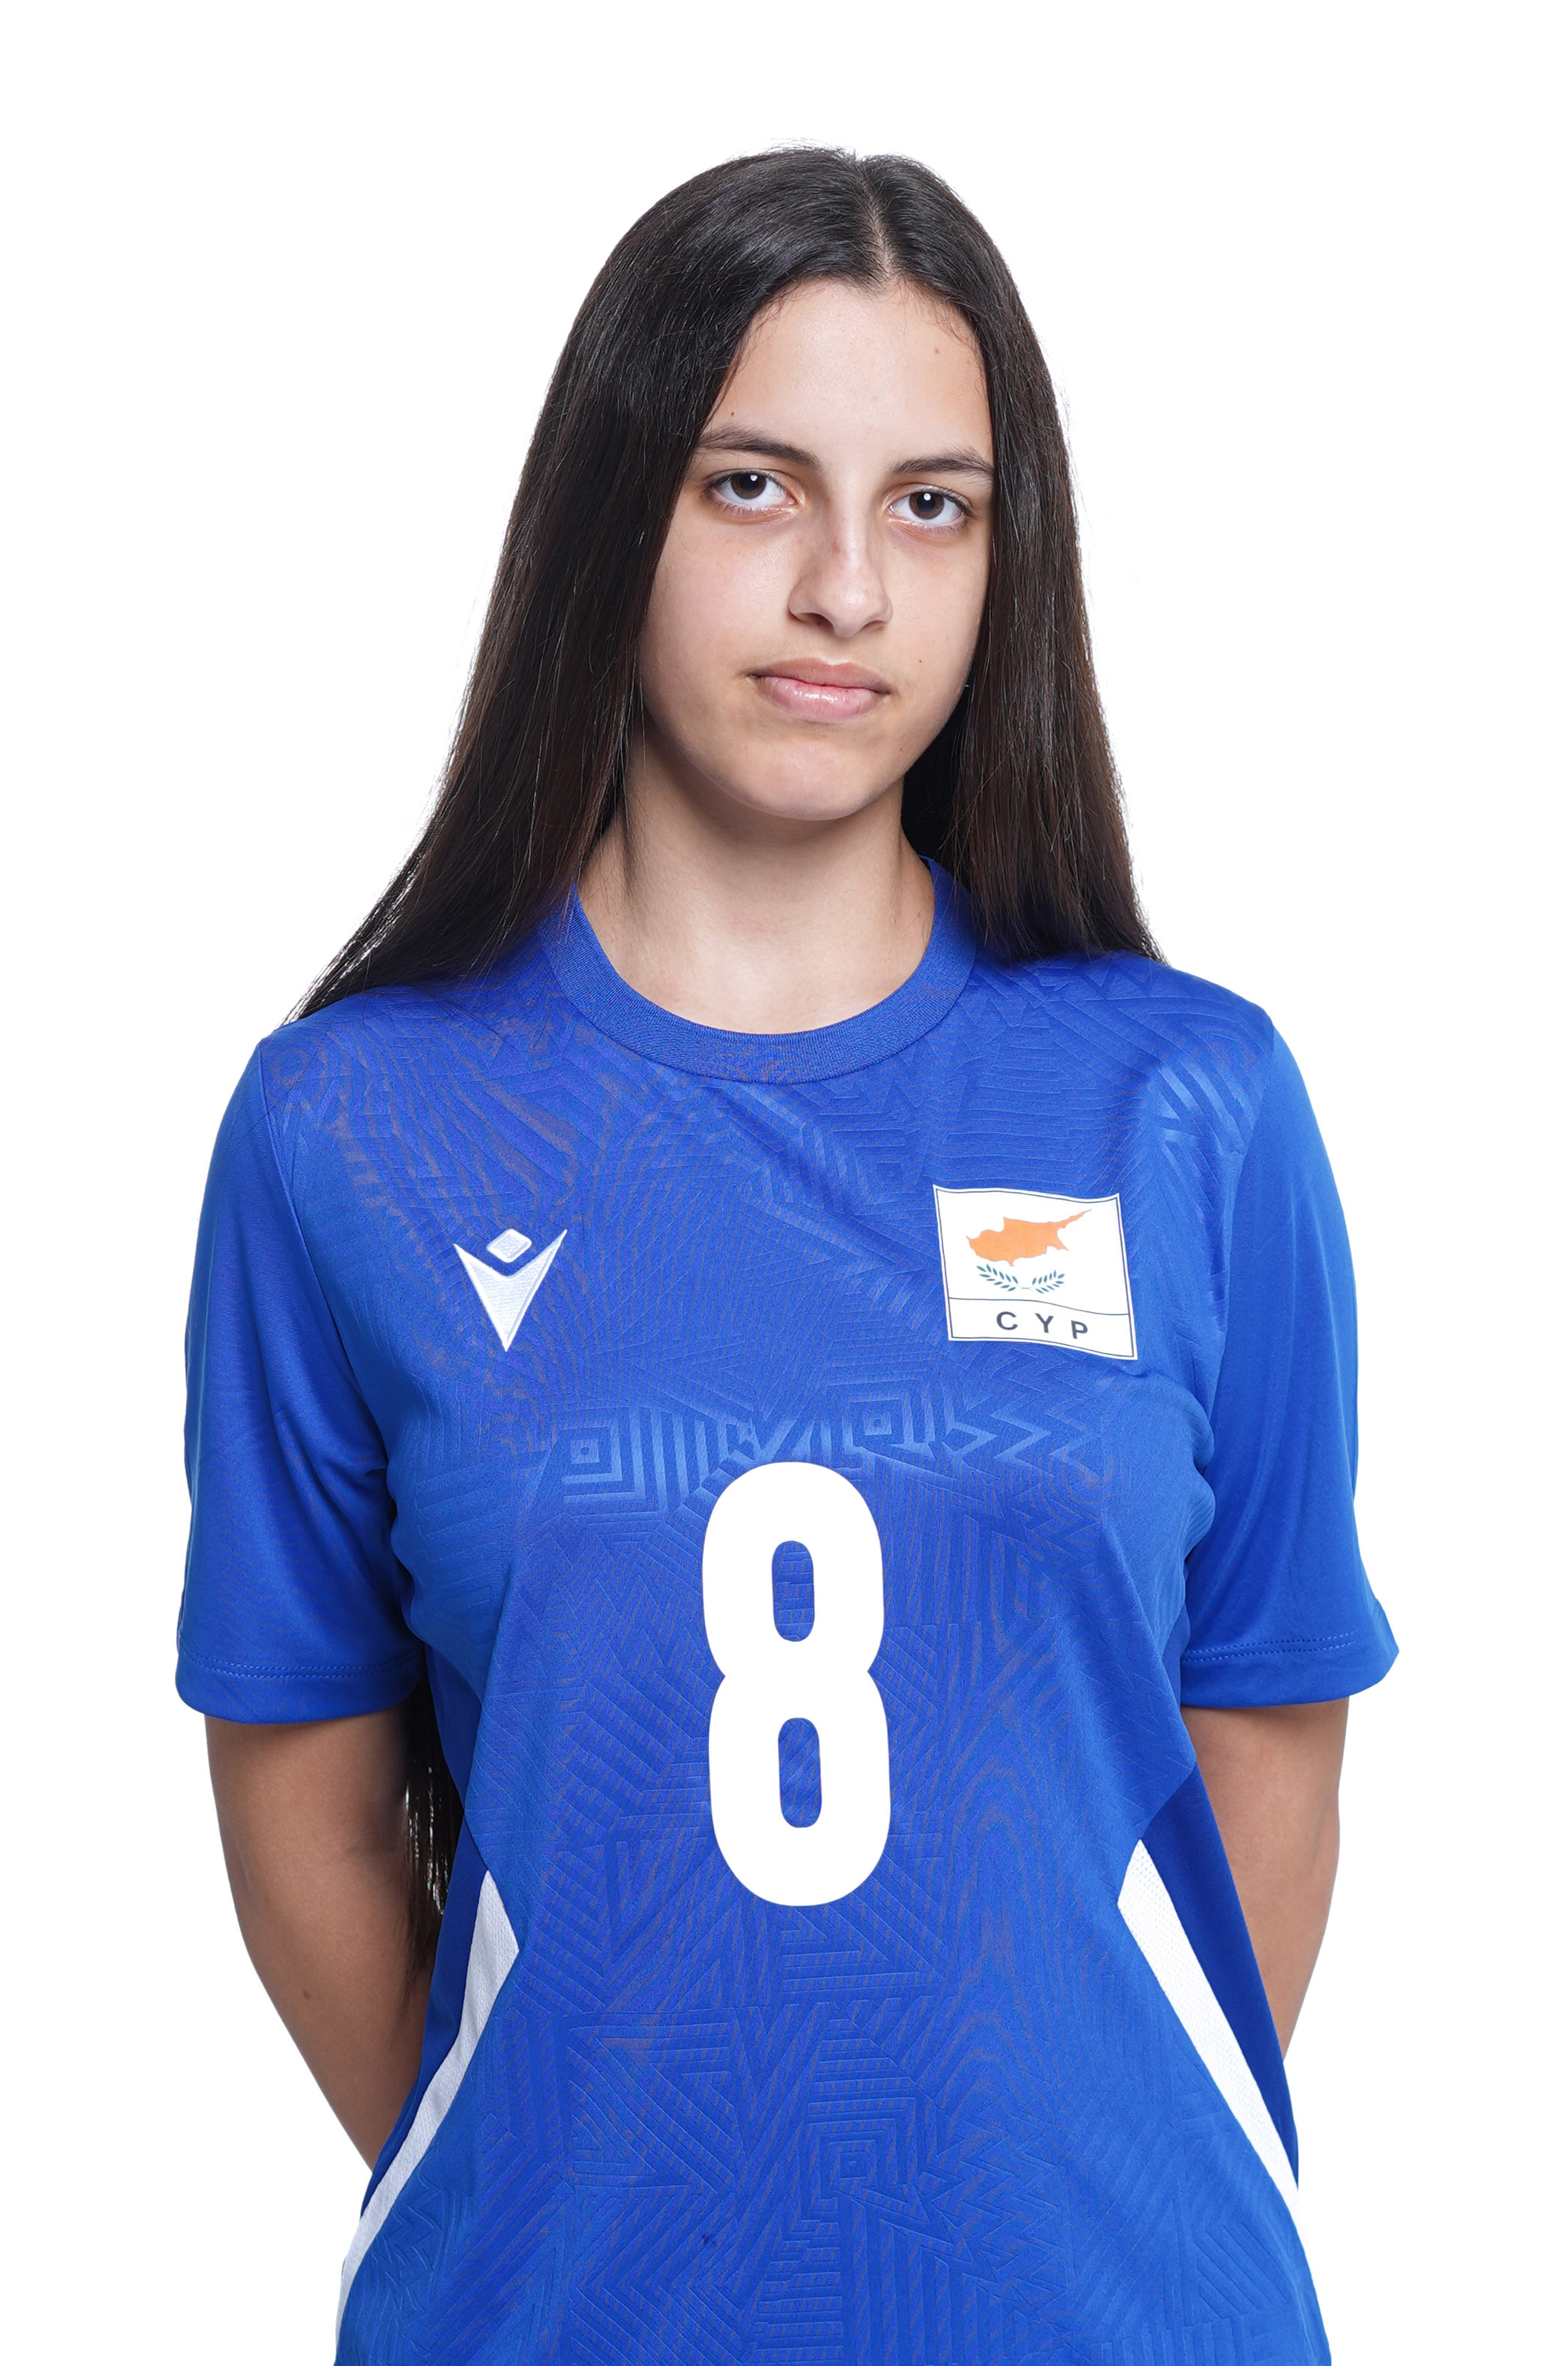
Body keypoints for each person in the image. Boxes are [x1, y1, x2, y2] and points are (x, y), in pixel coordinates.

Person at [178, 148, 1396, 2364]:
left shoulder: (1184, 1103)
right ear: (609, 517)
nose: (848, 587)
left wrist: (1038, 2168)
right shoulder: (352, 1125)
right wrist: (559, 2166)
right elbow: (306, 1798)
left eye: (934, 506)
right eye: (753, 486)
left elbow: (1267, 1723)